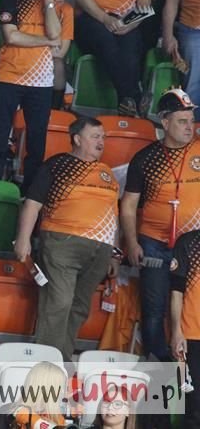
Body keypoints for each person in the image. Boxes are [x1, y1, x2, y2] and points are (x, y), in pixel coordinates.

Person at [14, 116, 120, 360]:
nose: (101, 142)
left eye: (103, 137)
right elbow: (32, 204)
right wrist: (23, 239)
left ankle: (61, 359)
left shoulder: (107, 173)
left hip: (101, 249)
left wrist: (115, 253)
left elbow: (113, 215)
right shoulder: (57, 165)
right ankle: (45, 363)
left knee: (80, 307)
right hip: (63, 243)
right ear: (77, 139)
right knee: (59, 302)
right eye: (95, 136)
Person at [121, 88, 200, 361]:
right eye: (182, 121)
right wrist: (132, 242)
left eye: (192, 121)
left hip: (194, 247)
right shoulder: (146, 158)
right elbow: (128, 205)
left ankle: (189, 369)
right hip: (155, 243)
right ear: (165, 123)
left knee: (191, 309)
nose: (190, 127)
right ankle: (161, 367)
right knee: (154, 310)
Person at [0, 0, 62, 192]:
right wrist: (46, 42)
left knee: (37, 142)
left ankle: (30, 193)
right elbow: (12, 37)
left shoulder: (51, 3)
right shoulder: (9, 0)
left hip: (41, 82)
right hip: (9, 76)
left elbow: (55, 33)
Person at [169, 228, 200, 429]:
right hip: (191, 336)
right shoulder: (189, 242)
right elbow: (176, 291)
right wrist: (176, 331)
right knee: (194, 406)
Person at [50, 0, 74, 110]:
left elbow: (62, 51)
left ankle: (54, 111)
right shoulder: (34, 7)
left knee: (58, 64)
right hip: (28, 57)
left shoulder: (67, 10)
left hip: (52, 59)